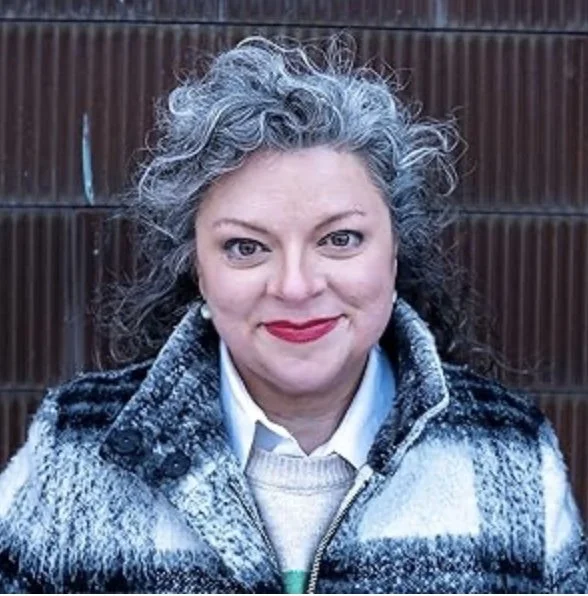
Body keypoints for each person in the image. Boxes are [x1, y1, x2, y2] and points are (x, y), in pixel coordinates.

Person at [0, 36, 586, 594]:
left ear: (395, 250)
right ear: (197, 268)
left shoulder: (512, 452)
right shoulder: (72, 448)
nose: (296, 287)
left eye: (340, 239)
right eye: (246, 247)